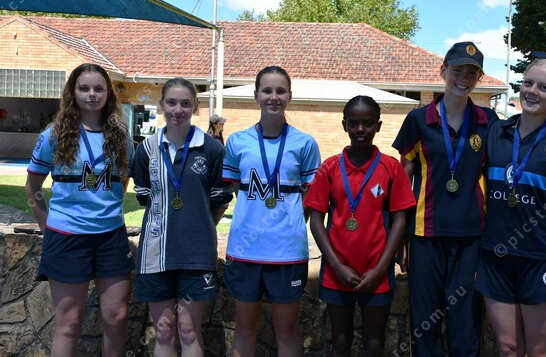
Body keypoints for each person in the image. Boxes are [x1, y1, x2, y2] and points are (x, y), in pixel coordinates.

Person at [392, 41, 499, 356]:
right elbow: (404, 177)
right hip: (425, 234)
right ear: (443, 71)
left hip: (471, 236)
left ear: (478, 78)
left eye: (471, 73)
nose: (463, 79)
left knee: (465, 321)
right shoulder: (418, 119)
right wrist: (401, 237)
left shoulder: (488, 121)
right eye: (457, 71)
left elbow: (495, 177)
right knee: (424, 319)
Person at [476, 53, 546, 356]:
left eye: (544, 87)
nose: (532, 91)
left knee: (538, 352)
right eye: (528, 83)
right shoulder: (497, 132)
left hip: (541, 259)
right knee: (508, 347)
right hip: (495, 257)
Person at [25, 63, 134, 357]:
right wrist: (47, 227)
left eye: (99, 88)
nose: (91, 94)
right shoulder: (54, 135)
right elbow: (32, 186)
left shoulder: (121, 137)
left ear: (108, 93)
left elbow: (123, 181)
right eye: (84, 88)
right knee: (69, 323)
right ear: (72, 92)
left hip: (111, 237)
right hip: (66, 237)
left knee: (117, 317)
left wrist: (106, 208)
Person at [222, 65, 321, 356]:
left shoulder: (305, 143)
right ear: (256, 95)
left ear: (290, 95)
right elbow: (236, 190)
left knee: (287, 330)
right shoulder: (237, 141)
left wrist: (289, 222)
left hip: (287, 252)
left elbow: (310, 197)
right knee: (244, 328)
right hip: (245, 250)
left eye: (280, 91)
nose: (273, 97)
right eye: (267, 90)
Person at [306, 95, 416, 356]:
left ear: (378, 126)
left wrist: (380, 269)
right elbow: (316, 220)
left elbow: (400, 220)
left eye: (368, 123)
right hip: (337, 272)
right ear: (344, 125)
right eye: (353, 123)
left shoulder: (391, 167)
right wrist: (337, 266)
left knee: (375, 344)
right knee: (340, 342)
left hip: (377, 272)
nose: (360, 129)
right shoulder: (329, 167)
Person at [132, 77, 231, 356]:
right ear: (161, 105)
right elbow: (145, 199)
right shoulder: (146, 149)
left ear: (196, 107)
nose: (178, 110)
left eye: (186, 103)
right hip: (155, 253)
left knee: (189, 330)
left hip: (196, 255)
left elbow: (220, 201)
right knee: (163, 331)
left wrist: (198, 227)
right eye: (172, 103)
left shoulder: (212, 149)